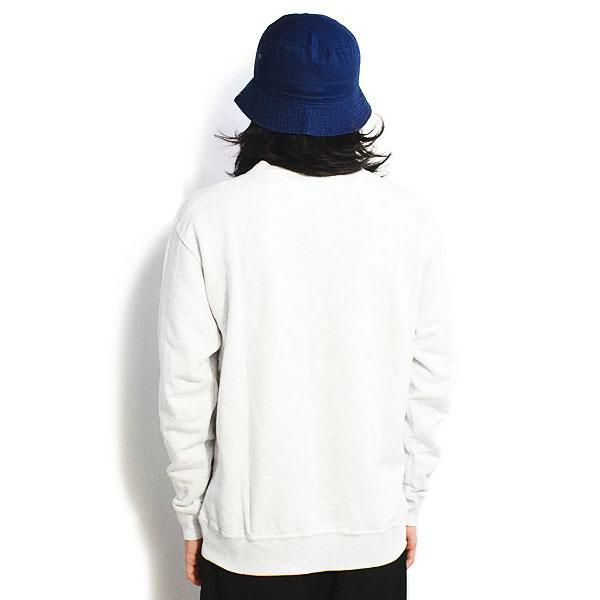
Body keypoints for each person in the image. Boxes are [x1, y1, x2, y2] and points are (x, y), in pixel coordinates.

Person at [157, 12, 455, 600]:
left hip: (250, 541)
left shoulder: (210, 219)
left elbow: (185, 387)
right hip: (370, 532)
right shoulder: (409, 220)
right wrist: (407, 503)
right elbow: (430, 378)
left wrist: (191, 513)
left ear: (262, 105)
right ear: (350, 106)